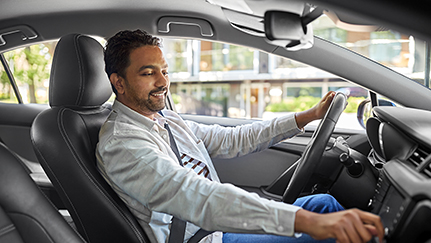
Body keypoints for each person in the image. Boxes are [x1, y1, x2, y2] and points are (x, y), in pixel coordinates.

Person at [96, 29, 384, 243]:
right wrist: (306, 222)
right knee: (326, 228)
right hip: (205, 239)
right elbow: (196, 196)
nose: (163, 82)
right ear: (118, 82)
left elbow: (232, 139)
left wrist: (305, 117)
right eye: (148, 73)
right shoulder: (123, 144)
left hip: (218, 226)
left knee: (324, 204)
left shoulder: (164, 119)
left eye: (165, 71)